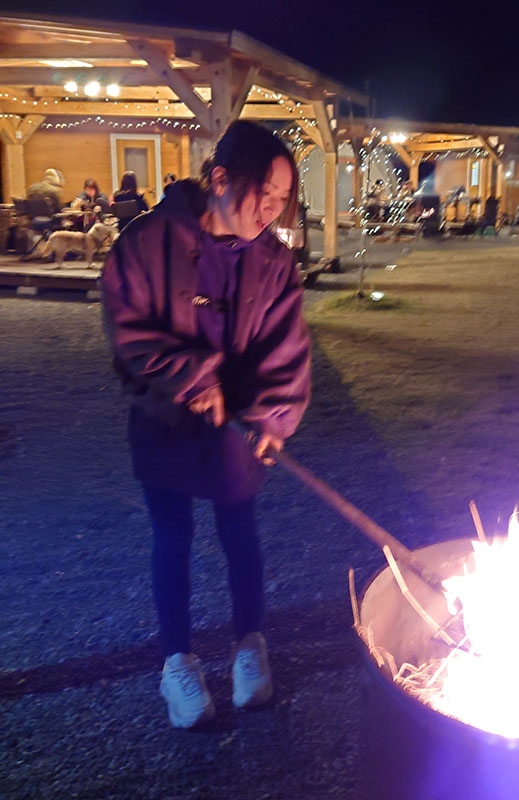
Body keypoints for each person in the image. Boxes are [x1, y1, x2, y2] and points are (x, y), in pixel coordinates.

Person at [101, 120, 311, 729]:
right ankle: (177, 664)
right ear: (219, 179)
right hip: (163, 417)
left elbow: (286, 346)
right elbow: (128, 327)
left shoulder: (272, 260)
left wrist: (274, 413)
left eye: (280, 201)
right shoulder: (147, 241)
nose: (271, 212)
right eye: (262, 196)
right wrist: (189, 376)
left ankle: (250, 644)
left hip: (237, 426)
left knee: (240, 532)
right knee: (172, 539)